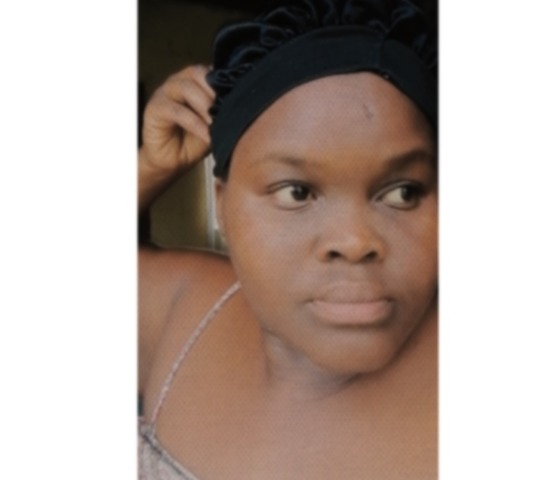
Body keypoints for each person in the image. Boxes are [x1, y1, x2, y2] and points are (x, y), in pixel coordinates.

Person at [138, 0, 437, 478]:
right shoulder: (187, 307)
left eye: (403, 192)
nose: (354, 240)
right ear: (222, 206)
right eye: (296, 192)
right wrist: (148, 168)